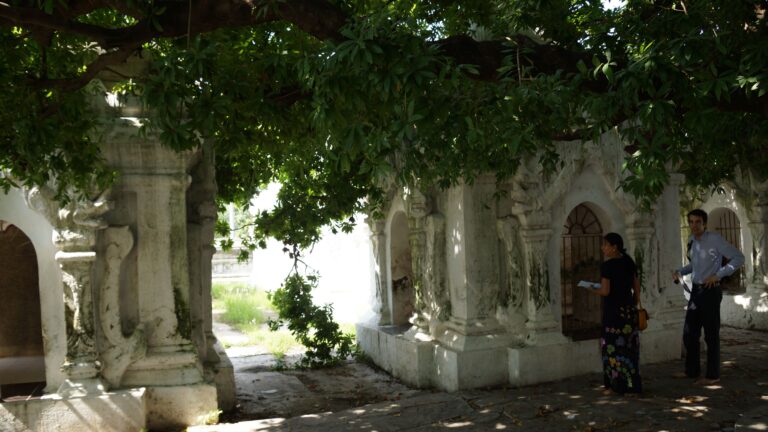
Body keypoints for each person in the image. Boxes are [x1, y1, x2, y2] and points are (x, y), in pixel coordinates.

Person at [673, 209, 744, 385]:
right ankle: (692, 371)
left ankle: (712, 376)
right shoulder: (691, 240)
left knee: (711, 335)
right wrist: (680, 271)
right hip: (695, 291)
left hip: (710, 291)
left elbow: (738, 258)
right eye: (691, 222)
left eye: (698, 222)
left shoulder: (714, 239)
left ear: (704, 223)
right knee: (689, 333)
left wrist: (718, 275)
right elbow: (694, 265)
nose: (694, 225)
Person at [587, 232, 642, 395]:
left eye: (606, 245)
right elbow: (636, 287)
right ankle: (631, 385)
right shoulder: (629, 261)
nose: (602, 248)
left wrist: (591, 288)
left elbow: (605, 291)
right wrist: (633, 304)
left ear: (614, 247)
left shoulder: (608, 266)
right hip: (628, 312)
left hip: (613, 313)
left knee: (611, 348)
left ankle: (614, 386)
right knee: (629, 349)